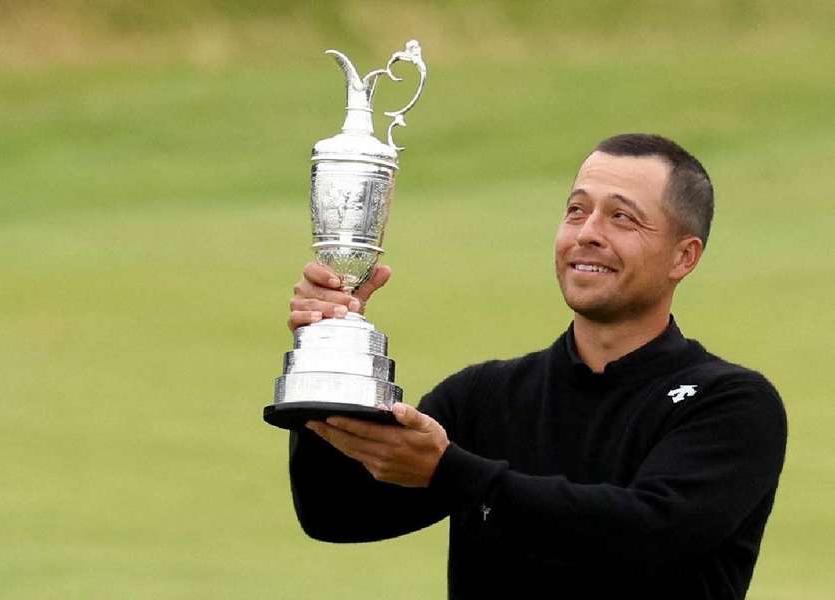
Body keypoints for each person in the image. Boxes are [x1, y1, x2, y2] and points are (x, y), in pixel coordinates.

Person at [284, 134, 787, 599]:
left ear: (684, 257)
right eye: (576, 211)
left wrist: (452, 472)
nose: (587, 234)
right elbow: (337, 514)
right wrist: (326, 352)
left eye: (621, 218)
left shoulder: (732, 404)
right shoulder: (487, 396)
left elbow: (649, 532)